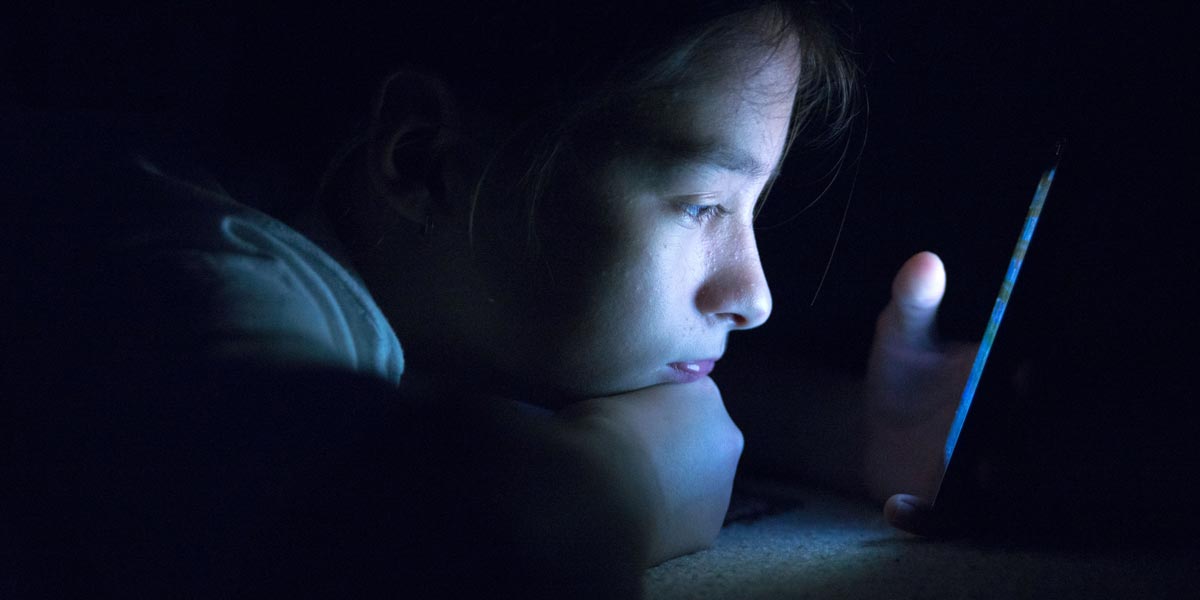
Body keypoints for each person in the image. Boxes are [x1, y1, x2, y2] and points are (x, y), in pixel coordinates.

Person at [7, 1, 976, 596]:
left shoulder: (395, 276)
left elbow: (507, 377)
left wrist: (850, 435)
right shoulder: (177, 271)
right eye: (699, 205)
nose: (754, 294)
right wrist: (615, 481)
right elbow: (470, 550)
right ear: (423, 159)